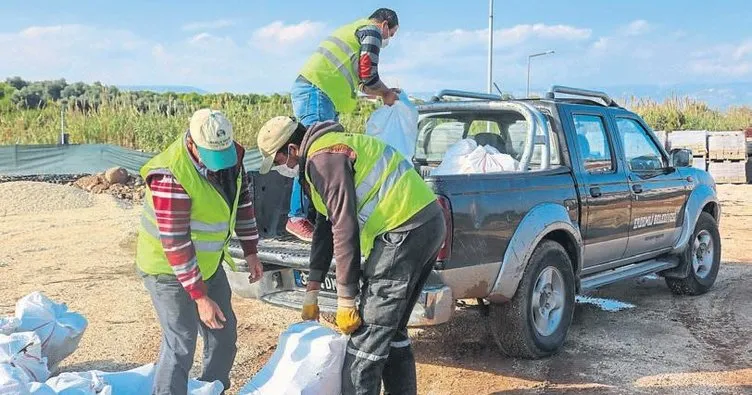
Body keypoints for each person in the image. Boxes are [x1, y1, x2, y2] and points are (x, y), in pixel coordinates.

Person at [257, 116, 446, 395]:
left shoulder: (323, 160)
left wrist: (346, 299)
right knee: (391, 332)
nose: (280, 168)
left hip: (403, 231)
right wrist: (312, 288)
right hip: (425, 225)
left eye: (278, 160)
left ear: (293, 149)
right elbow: (325, 226)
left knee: (364, 345)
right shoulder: (328, 150)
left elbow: (344, 227)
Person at [135, 109, 264, 394]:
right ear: (192, 144)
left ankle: (211, 389)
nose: (220, 166)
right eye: (212, 156)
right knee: (181, 342)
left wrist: (251, 250)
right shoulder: (171, 174)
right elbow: (175, 241)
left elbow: (242, 204)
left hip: (207, 264)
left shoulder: (234, 158)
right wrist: (200, 297)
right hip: (167, 269)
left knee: (224, 334)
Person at [285, 7, 402, 242]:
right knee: (313, 153)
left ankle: (317, 217)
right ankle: (296, 217)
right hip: (317, 93)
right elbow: (369, 75)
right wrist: (386, 93)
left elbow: (364, 84)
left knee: (321, 154)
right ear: (386, 25)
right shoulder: (372, 31)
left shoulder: (354, 29)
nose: (389, 39)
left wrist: (385, 93)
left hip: (318, 93)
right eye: (392, 34)